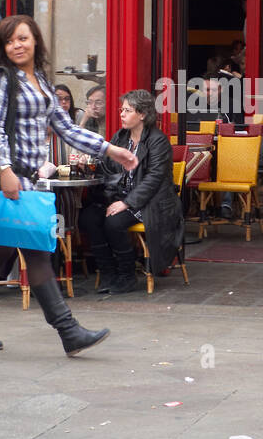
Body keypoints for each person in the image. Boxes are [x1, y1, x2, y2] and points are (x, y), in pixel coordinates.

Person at [0, 15, 137, 354]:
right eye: (10, 41)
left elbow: (67, 129)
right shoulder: (1, 80)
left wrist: (111, 148)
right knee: (36, 254)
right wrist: (5, 170)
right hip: (10, 178)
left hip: (29, 179)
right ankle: (68, 332)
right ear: (3, 47)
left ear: (35, 41)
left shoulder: (39, 80)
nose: (17, 45)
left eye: (23, 38)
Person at [78, 89, 184, 296]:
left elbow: (153, 179)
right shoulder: (121, 137)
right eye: (121, 110)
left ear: (142, 114)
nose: (121, 114)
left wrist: (127, 203)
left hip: (150, 202)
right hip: (121, 197)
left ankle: (127, 275)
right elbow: (109, 166)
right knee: (89, 218)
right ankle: (108, 273)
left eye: (127, 110)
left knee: (114, 222)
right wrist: (90, 163)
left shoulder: (158, 141)